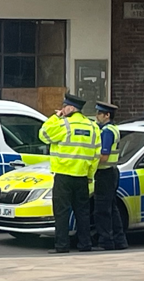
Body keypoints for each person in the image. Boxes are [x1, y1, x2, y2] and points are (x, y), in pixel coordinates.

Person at [39, 94, 101, 254]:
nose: (62, 109)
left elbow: (43, 134)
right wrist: (89, 175)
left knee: (61, 212)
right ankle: (85, 244)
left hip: (63, 176)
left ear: (71, 108)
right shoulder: (93, 127)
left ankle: (62, 246)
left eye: (64, 106)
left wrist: (55, 116)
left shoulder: (64, 125)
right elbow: (96, 155)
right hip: (82, 177)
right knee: (83, 212)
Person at [92, 102, 129, 251]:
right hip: (111, 173)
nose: (97, 116)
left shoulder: (107, 131)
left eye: (99, 114)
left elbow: (104, 156)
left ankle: (106, 241)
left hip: (105, 173)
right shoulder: (113, 129)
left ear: (107, 115)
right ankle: (120, 241)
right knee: (112, 208)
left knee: (102, 210)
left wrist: (89, 161)